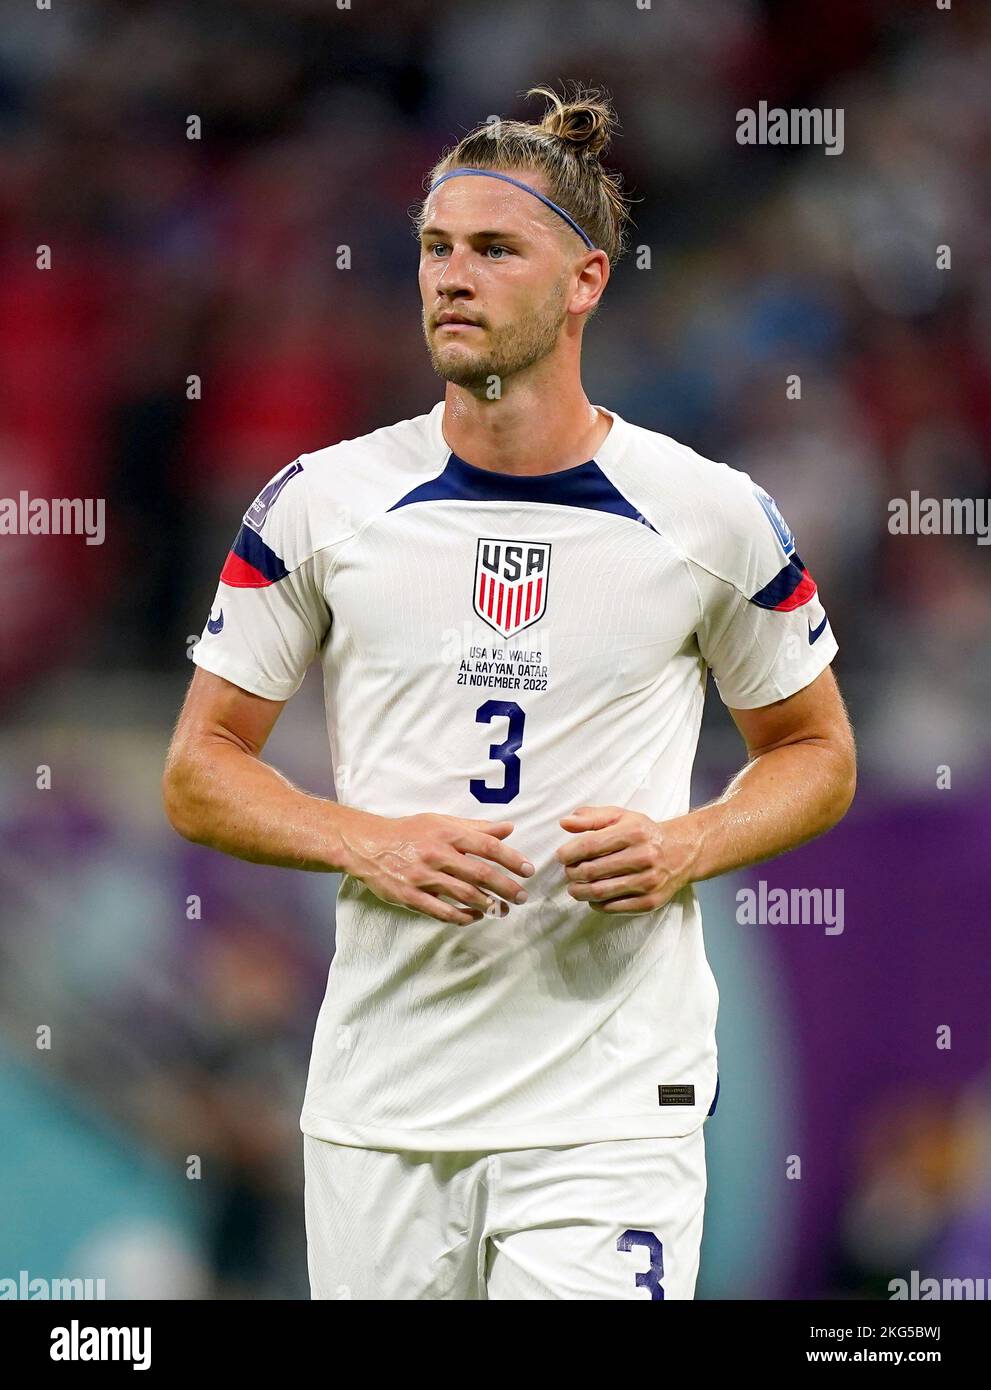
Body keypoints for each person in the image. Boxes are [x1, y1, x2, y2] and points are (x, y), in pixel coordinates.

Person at [163, 83, 856, 1300]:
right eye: (435, 248)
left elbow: (816, 751)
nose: (450, 276)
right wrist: (367, 844)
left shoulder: (708, 513)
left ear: (583, 280)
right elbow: (198, 768)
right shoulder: (320, 504)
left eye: (493, 248)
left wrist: (687, 841)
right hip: (384, 1105)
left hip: (609, 1110)